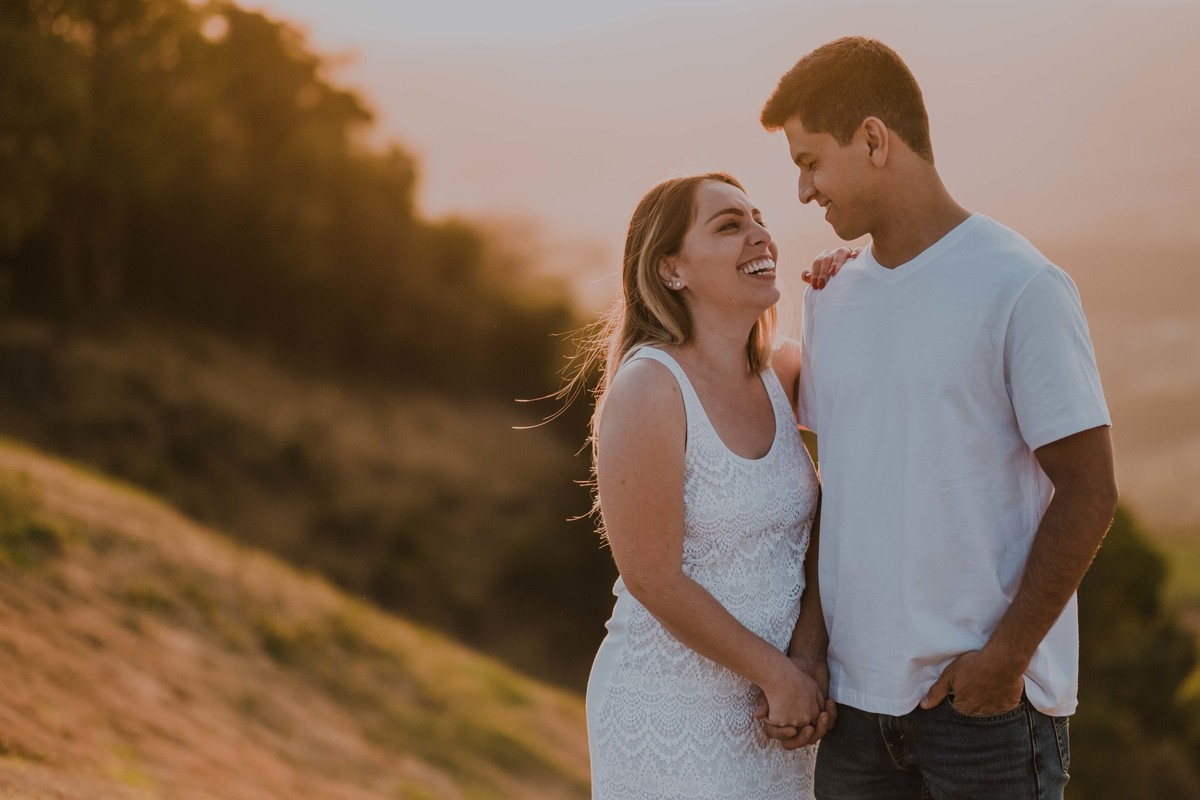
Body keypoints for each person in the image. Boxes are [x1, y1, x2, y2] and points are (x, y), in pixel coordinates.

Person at [756, 36, 1118, 800]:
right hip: (854, 713)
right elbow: (840, 487)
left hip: (983, 714)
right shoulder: (831, 296)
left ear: (874, 139)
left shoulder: (1021, 286)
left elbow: (1090, 490)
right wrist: (813, 653)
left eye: (809, 161)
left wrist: (1006, 659)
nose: (803, 191)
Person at [580, 172, 852, 799]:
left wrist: (855, 287)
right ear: (671, 268)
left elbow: (837, 506)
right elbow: (652, 576)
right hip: (668, 711)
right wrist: (778, 674)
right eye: (729, 225)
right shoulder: (649, 389)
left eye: (757, 218)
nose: (760, 235)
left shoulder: (783, 371)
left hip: (783, 711)